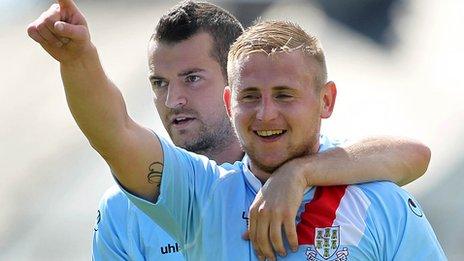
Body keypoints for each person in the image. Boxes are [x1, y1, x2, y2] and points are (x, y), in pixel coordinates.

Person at [27, 1, 440, 260]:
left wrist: (298, 174)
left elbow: (415, 153)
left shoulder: (379, 201)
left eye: (284, 95)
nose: (265, 114)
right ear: (230, 102)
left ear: (326, 101)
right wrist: (79, 59)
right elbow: (113, 131)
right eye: (250, 97)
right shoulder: (201, 196)